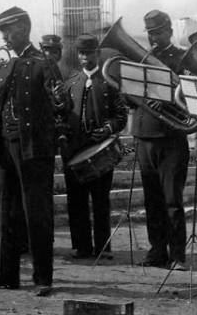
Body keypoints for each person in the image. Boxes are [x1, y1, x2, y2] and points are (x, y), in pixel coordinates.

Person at [0, 6, 69, 297]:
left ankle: (43, 277)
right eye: (2, 31)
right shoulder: (6, 65)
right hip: (5, 145)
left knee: (37, 213)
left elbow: (60, 104)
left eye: (8, 30)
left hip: (34, 149)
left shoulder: (44, 63)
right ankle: (8, 274)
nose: (4, 36)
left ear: (23, 28)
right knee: (9, 212)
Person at [133, 9, 190, 270]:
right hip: (145, 135)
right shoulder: (142, 60)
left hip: (170, 136)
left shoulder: (181, 59)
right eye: (151, 33)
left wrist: (165, 96)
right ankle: (157, 250)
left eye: (158, 32)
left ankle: (177, 254)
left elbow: (189, 95)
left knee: (172, 201)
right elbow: (128, 100)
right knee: (152, 201)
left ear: (169, 31)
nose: (154, 38)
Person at [62, 34, 127, 260]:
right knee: (76, 201)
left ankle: (103, 247)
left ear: (97, 54)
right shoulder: (70, 83)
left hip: (100, 151)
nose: (84, 57)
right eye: (81, 53)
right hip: (74, 150)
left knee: (100, 201)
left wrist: (109, 129)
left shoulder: (109, 83)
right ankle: (81, 246)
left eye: (89, 53)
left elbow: (121, 116)